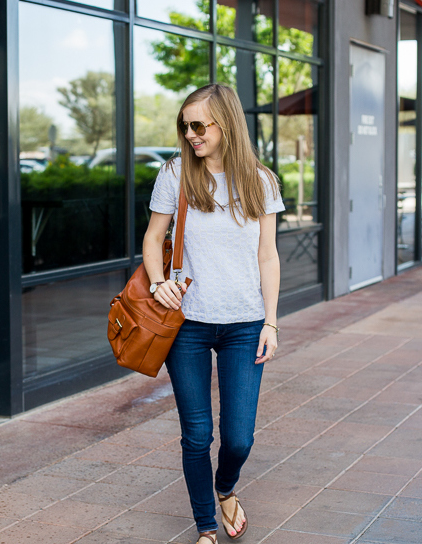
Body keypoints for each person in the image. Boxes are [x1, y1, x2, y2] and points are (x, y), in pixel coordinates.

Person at [142, 83, 284, 543]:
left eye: (198, 125)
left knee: (239, 438)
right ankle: (205, 528)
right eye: (185, 127)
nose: (190, 134)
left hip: (244, 325)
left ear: (226, 124)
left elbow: (268, 255)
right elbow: (152, 238)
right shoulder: (175, 174)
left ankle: (226, 488)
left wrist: (271, 321)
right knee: (197, 435)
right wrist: (159, 281)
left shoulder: (260, 180)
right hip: (188, 325)